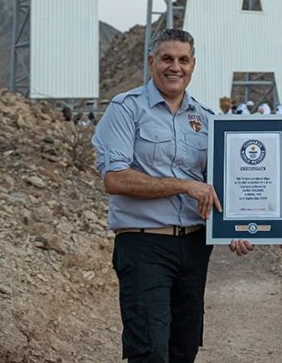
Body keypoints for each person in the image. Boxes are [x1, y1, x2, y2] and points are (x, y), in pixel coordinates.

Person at [92, 28, 252, 363]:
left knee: (184, 348)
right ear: (151, 62)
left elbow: (219, 184)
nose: (175, 67)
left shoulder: (206, 119)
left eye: (183, 60)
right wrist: (183, 185)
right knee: (150, 350)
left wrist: (235, 226)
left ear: (193, 65)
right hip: (144, 244)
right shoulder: (126, 109)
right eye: (167, 59)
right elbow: (115, 179)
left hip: (194, 246)